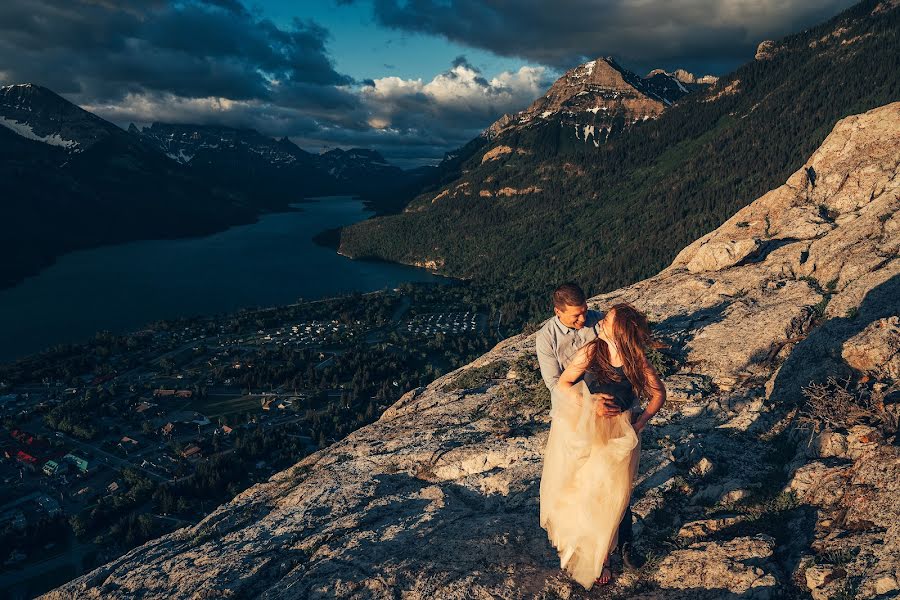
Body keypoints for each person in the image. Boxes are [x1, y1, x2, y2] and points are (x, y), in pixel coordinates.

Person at [539, 302, 666, 589]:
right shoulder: (591, 350)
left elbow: (659, 395)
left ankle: (605, 553)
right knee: (587, 490)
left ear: (619, 333)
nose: (601, 323)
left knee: (611, 496)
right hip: (587, 429)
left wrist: (638, 424)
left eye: (607, 321)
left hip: (619, 434)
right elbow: (563, 385)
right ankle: (599, 556)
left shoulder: (636, 360)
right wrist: (589, 402)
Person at [535, 284, 641, 570]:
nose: (583, 320)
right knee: (577, 482)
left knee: (612, 479)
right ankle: (582, 547)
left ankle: (624, 541)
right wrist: (588, 401)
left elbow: (621, 349)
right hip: (574, 414)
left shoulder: (598, 321)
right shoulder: (546, 338)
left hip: (608, 413)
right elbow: (555, 385)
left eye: (584, 312)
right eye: (575, 317)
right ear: (557, 312)